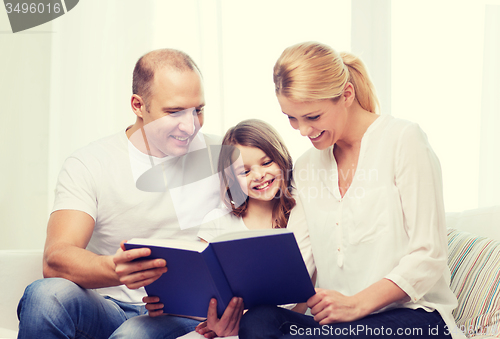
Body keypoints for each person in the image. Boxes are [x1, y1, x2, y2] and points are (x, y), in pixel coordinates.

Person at [238, 42, 466, 339]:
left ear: (346, 95)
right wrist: (236, 313)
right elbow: (299, 261)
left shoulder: (403, 140)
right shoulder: (307, 167)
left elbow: (429, 256)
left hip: (415, 318)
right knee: (259, 320)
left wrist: (356, 304)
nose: (302, 130)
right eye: (292, 118)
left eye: (313, 117)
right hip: (339, 327)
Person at [16, 48, 223, 339]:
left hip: (185, 315)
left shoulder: (226, 158)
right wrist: (113, 269)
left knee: (132, 336)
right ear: (139, 105)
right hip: (110, 307)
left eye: (198, 110)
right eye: (174, 111)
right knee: (46, 295)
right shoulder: (90, 162)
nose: (191, 126)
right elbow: (56, 259)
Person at [127, 119, 316, 339]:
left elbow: (299, 298)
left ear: (282, 159)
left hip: (280, 326)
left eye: (267, 163)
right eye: (245, 172)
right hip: (223, 328)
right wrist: (169, 305)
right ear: (231, 178)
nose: (259, 175)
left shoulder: (301, 212)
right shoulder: (218, 222)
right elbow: (205, 295)